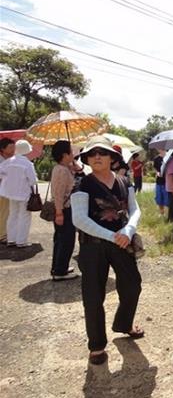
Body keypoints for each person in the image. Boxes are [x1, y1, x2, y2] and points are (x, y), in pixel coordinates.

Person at [71, 136, 144, 365]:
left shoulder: (124, 182)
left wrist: (129, 230)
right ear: (87, 159)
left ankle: (123, 324)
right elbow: (79, 219)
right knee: (93, 295)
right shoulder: (82, 184)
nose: (97, 157)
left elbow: (135, 209)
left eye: (102, 153)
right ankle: (96, 345)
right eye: (92, 154)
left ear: (113, 157)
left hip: (123, 242)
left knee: (132, 285)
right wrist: (113, 236)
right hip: (93, 247)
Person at [0, 140, 37, 248]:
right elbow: (33, 180)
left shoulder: (8, 162)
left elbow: (1, 173)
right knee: (24, 216)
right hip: (24, 193)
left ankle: (11, 239)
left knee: (12, 215)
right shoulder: (27, 163)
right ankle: (21, 241)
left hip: (10, 193)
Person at [50, 140, 78, 281]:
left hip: (64, 209)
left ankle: (59, 266)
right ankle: (60, 271)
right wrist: (59, 212)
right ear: (64, 155)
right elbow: (59, 193)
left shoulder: (64, 168)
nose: (73, 154)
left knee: (61, 239)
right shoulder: (61, 170)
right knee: (66, 240)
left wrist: (74, 167)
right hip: (64, 209)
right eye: (71, 152)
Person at [0, 138, 16, 244]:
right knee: (4, 212)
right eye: (10, 147)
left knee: (6, 212)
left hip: (7, 189)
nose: (13, 149)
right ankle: (2, 235)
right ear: (2, 149)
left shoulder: (11, 160)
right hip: (2, 189)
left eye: (13, 147)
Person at [153, 150, 168, 217]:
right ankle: (162, 213)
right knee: (159, 198)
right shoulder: (156, 159)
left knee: (167, 198)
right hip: (159, 181)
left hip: (167, 181)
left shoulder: (168, 157)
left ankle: (168, 214)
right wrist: (157, 173)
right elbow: (155, 169)